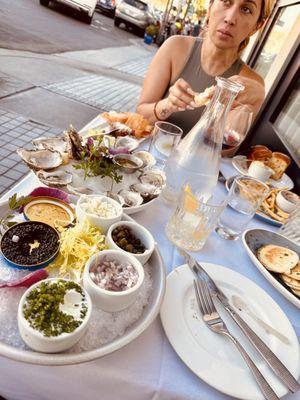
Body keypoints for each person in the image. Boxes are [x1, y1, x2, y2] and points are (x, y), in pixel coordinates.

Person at [136, 0, 274, 153]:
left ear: (257, 26)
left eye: (246, 9)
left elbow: (222, 153)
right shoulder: (174, 47)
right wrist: (168, 105)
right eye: (226, 2)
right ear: (210, 6)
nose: (230, 18)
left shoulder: (251, 85)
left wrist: (257, 98)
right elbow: (140, 117)